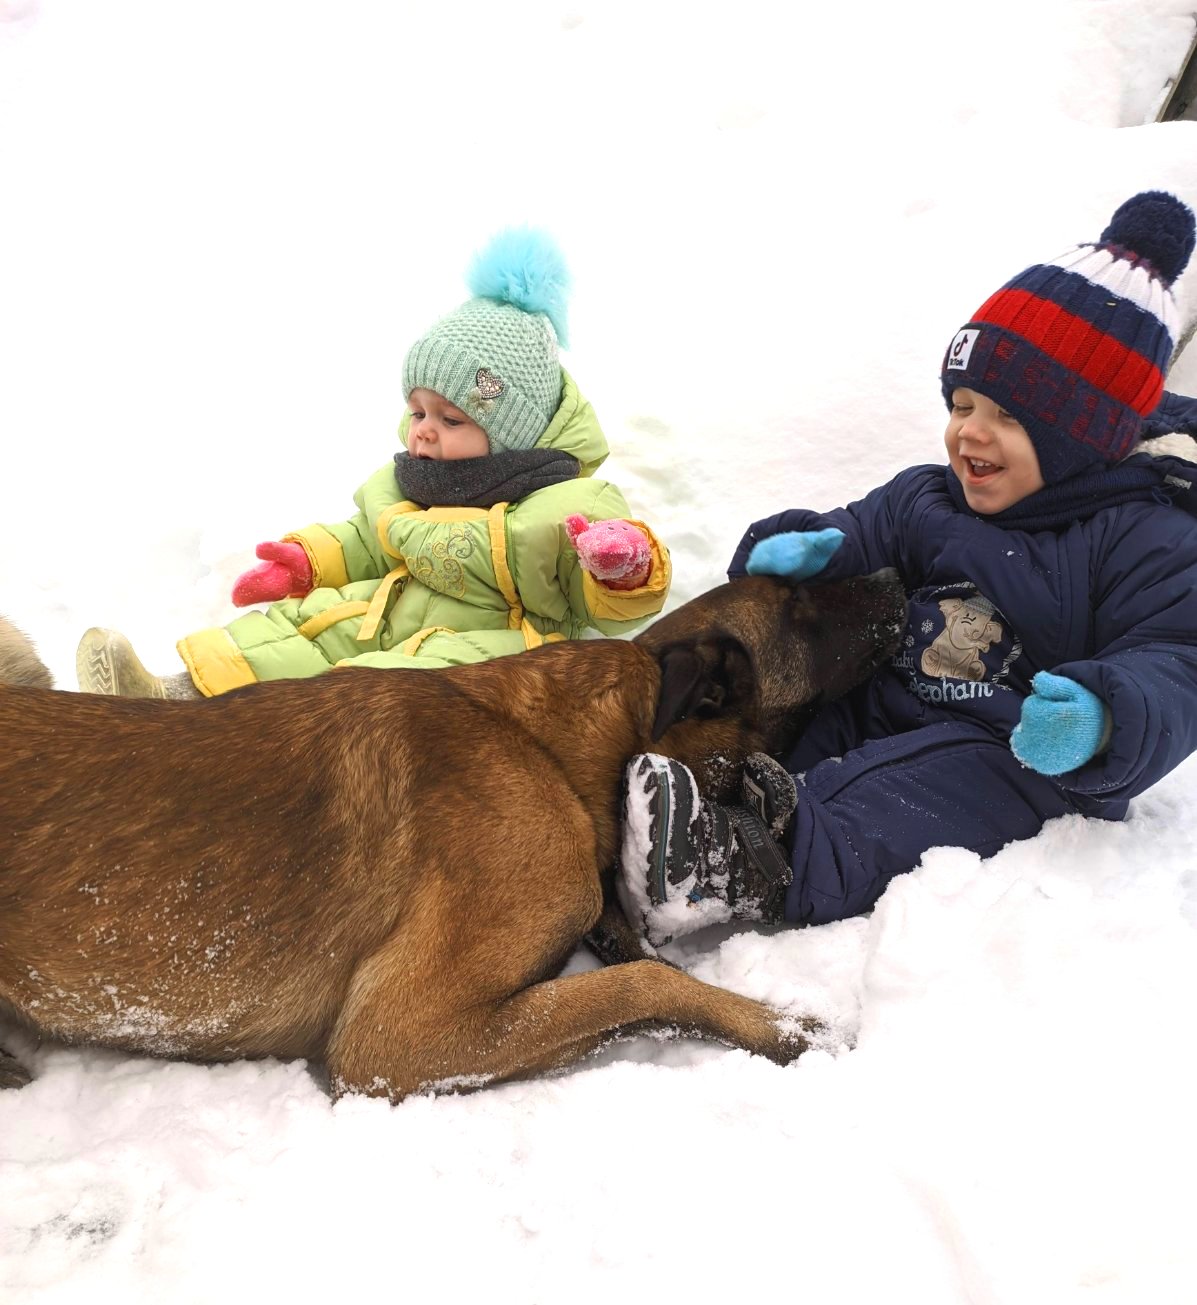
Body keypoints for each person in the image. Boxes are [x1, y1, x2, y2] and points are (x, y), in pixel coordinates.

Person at [617, 189, 1197, 947]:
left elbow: (1176, 660)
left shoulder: (1146, 535)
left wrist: (1102, 715)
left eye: (1010, 417)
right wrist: (812, 546)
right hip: (885, 700)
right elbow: (863, 532)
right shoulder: (930, 497)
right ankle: (669, 798)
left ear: (1084, 437)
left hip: (1018, 749)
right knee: (801, 732)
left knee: (901, 796)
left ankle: (737, 862)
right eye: (962, 403)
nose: (969, 434)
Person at [76, 229, 671, 698]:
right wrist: (310, 561)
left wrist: (622, 570)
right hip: (383, 614)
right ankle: (174, 699)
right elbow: (367, 539)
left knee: (370, 690)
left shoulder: (567, 506)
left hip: (489, 657)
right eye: (417, 412)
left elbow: (611, 608)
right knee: (302, 627)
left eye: (452, 419)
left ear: (511, 432)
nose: (425, 433)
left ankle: (259, 754)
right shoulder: (409, 482)